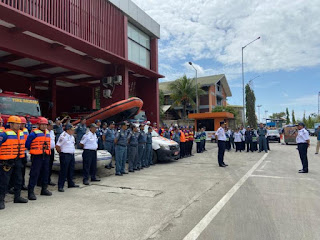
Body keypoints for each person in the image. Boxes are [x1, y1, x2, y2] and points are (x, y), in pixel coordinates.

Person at [0, 116, 28, 210]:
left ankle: (17, 197)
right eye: (16, 123)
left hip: (18, 160)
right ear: (11, 124)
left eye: (19, 123)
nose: (18, 125)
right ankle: (1, 200)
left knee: (19, 179)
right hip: (7, 161)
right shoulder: (4, 134)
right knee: (4, 181)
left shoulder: (21, 133)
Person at [26, 117, 52, 201]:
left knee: (45, 172)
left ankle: (44, 189)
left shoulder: (48, 133)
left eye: (45, 125)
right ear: (38, 125)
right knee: (34, 173)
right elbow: (27, 144)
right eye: (42, 125)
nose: (44, 126)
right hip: (37, 156)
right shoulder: (33, 134)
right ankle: (30, 192)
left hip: (46, 155)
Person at [56, 124, 79, 192]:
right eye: (72, 129)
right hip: (65, 155)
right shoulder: (63, 136)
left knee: (71, 169)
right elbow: (57, 146)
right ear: (68, 130)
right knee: (63, 171)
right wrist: (61, 153)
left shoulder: (71, 136)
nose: (73, 131)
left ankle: (70, 183)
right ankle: (60, 186)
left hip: (71, 154)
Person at [47, 120, 56, 186]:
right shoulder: (45, 132)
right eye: (51, 125)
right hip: (46, 151)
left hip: (52, 150)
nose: (52, 126)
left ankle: (48, 179)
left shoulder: (52, 132)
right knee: (45, 166)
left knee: (50, 165)